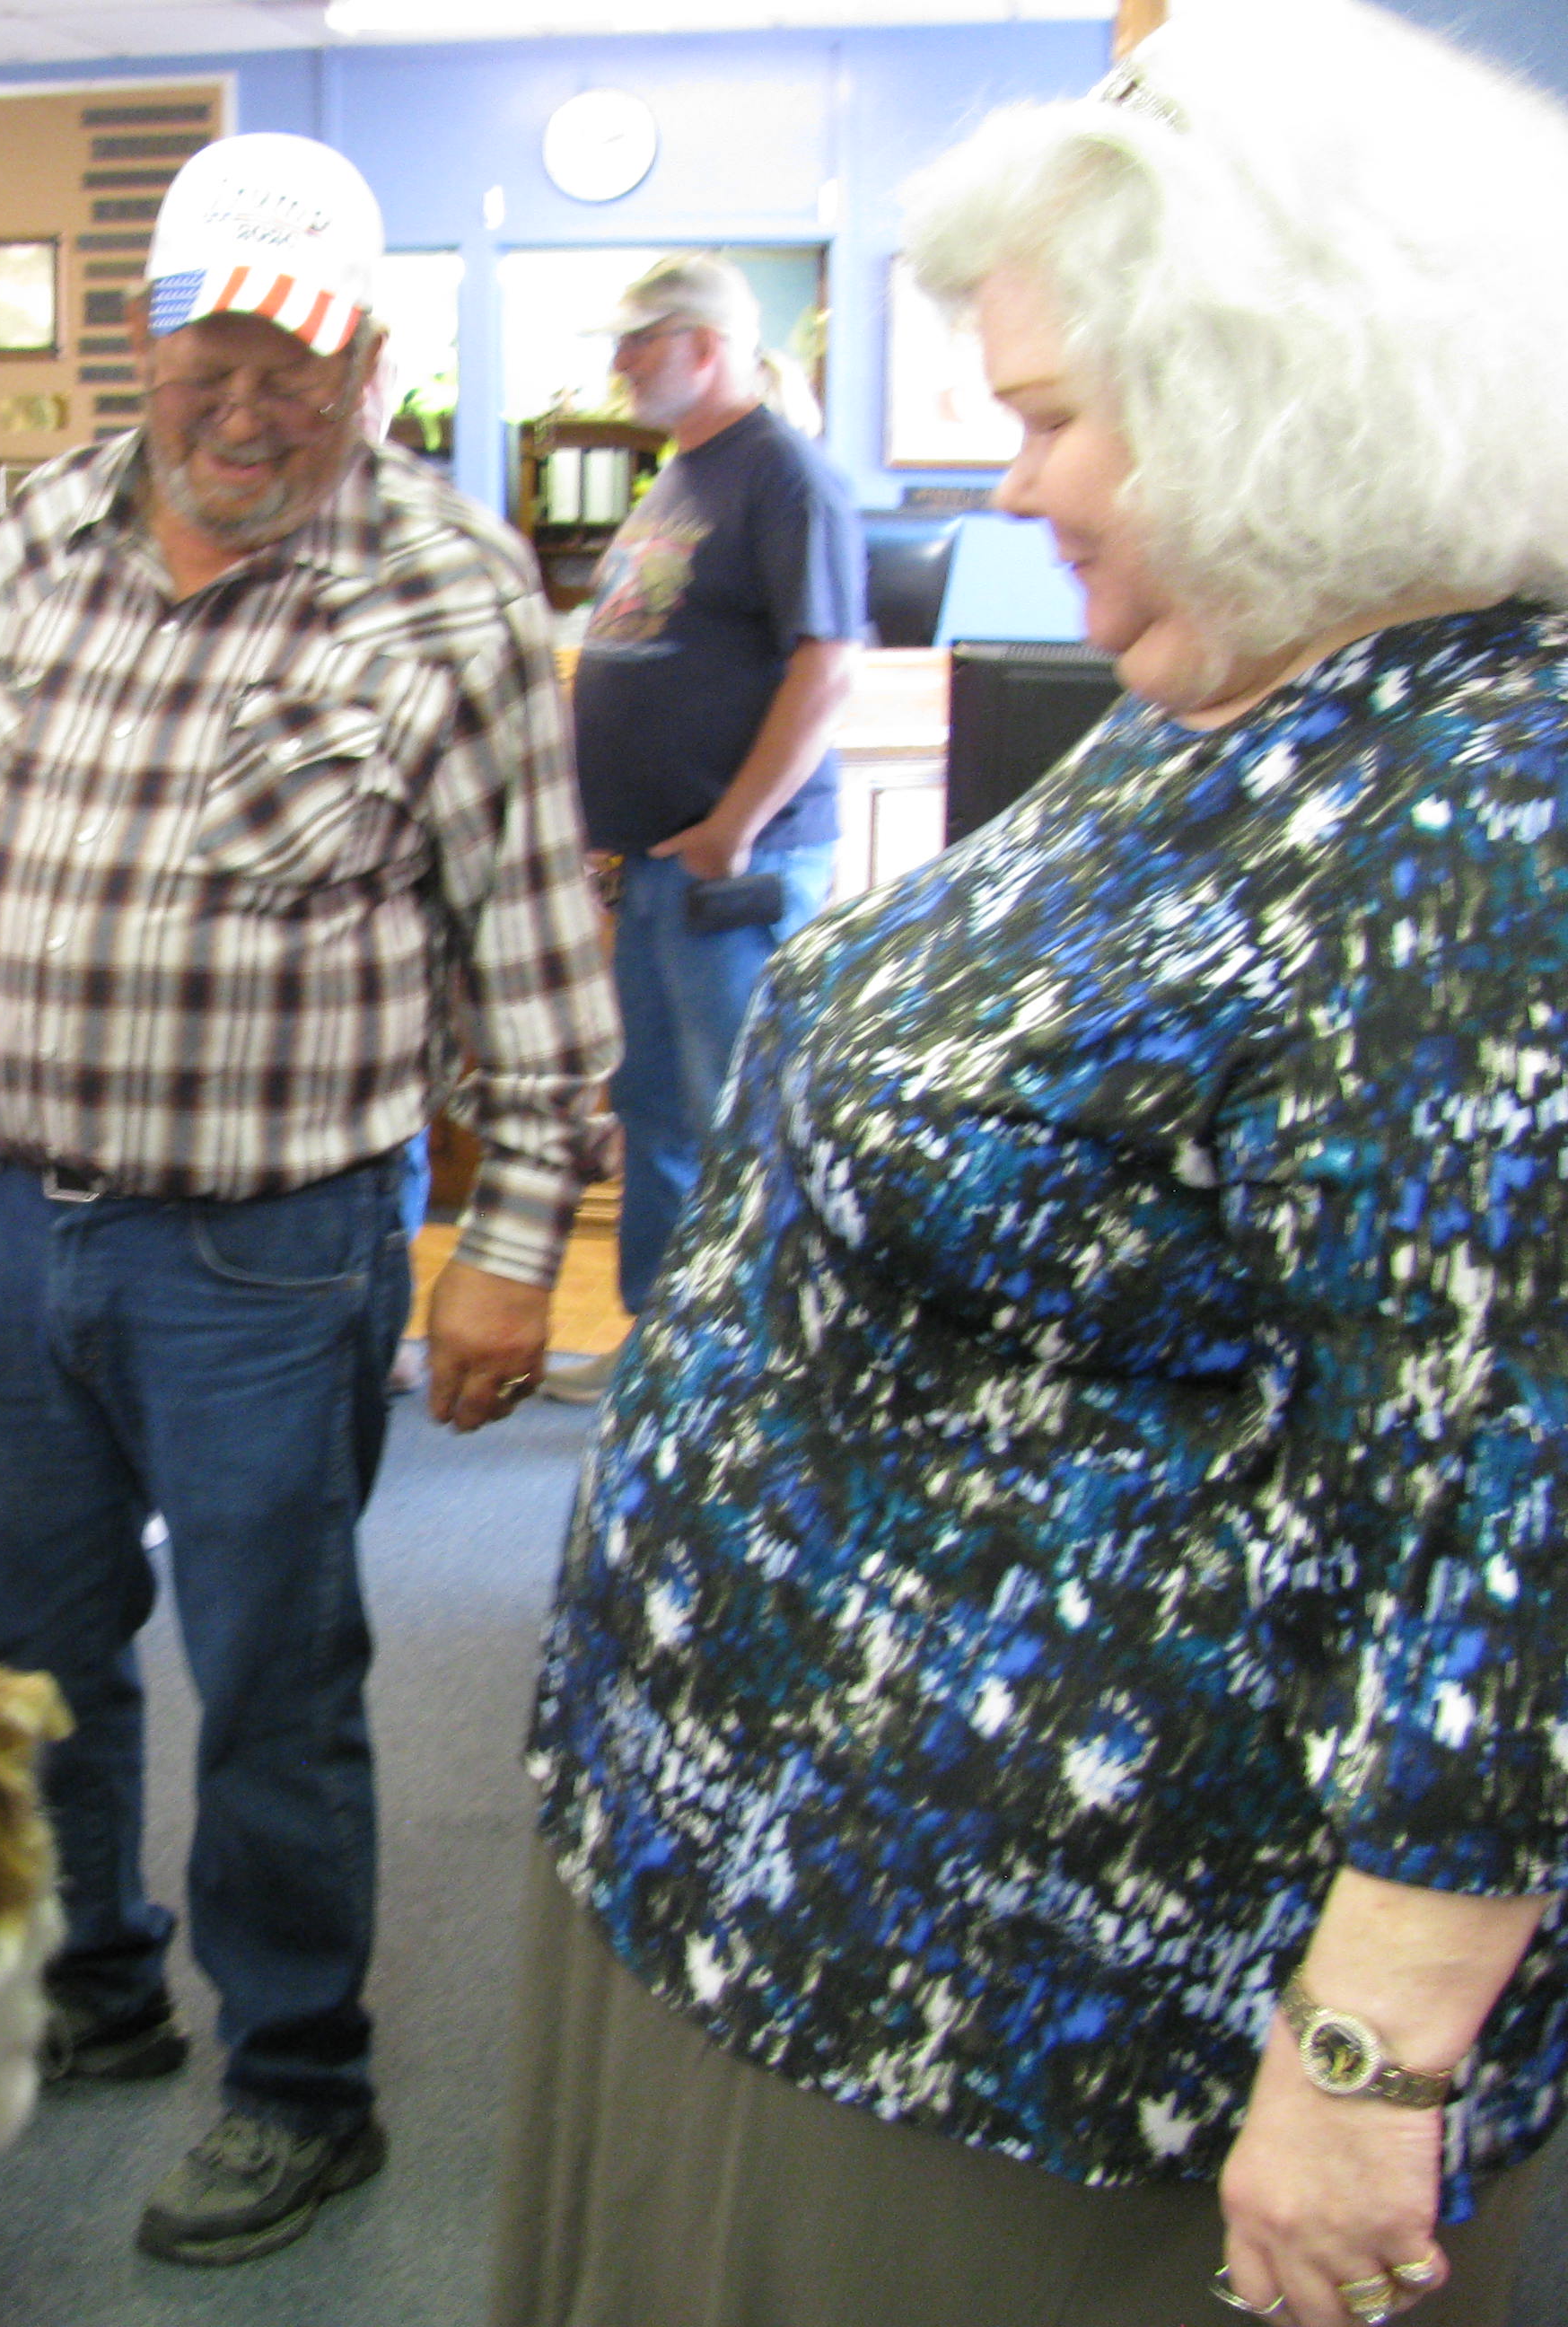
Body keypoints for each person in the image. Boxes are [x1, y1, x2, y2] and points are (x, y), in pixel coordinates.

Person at [496, 8, 1568, 2324]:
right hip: (802, 1876)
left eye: (1048, 417)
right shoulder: (1239, 697)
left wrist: (1373, 2053)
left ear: (1285, 389)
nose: (1009, 488)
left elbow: (1527, 1497)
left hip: (1037, 2005)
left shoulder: (1490, 807)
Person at [0, 132, 616, 2268]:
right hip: (30, 1226)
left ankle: (297, 2080)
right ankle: (84, 1982)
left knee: (273, 1669)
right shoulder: (44, 525)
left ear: (363, 357)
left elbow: (535, 970)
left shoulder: (445, 596)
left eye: (305, 354)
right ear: (145, 335)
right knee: (27, 1651)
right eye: (216, 349)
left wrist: (513, 1247)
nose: (254, 400)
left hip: (271, 1249)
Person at [542, 251, 862, 1403]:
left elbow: (828, 667)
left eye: (642, 342)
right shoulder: (683, 474)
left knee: (736, 1121)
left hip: (733, 866)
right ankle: (663, 1348)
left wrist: (735, 823)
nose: (621, 365)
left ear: (709, 347)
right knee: (656, 1116)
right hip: (653, 867)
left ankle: (753, 1368)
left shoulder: (784, 477)